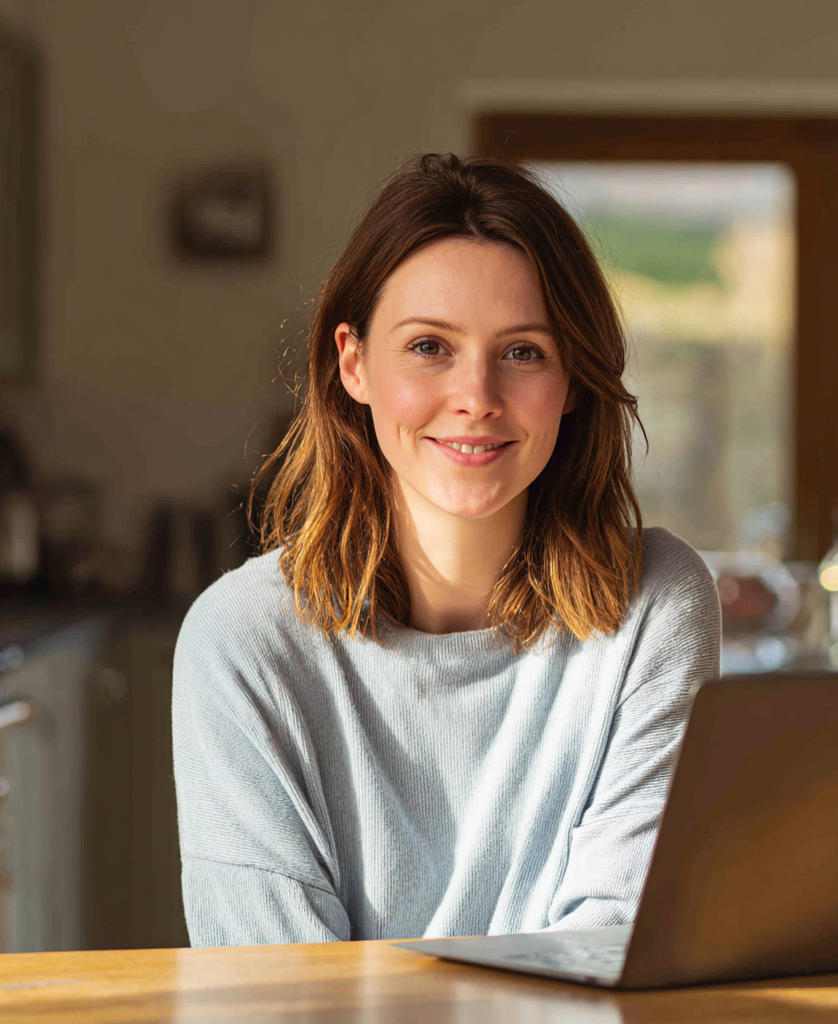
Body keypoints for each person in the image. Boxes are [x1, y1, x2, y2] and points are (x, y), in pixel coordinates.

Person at [172, 153, 720, 947]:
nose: (476, 398)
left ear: (573, 380)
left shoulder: (657, 605)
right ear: (354, 364)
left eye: (523, 352)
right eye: (430, 346)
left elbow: (619, 952)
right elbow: (275, 988)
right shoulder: (241, 639)